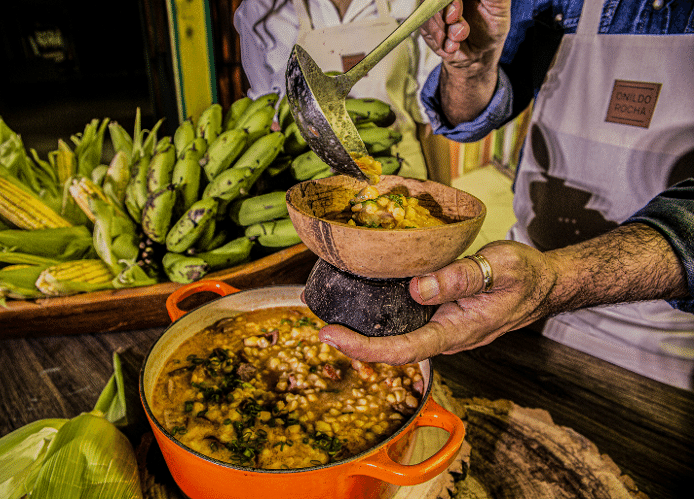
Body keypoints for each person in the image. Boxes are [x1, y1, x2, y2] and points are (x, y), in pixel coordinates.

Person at [316, 0, 694, 390]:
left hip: (662, 342)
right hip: (513, 296)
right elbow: (467, 118)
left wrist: (553, 282)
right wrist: (471, 67)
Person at [234, 0, 443, 180]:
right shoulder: (259, 11)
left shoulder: (412, 3)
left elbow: (431, 122)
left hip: (401, 170)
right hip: (312, 179)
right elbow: (267, 117)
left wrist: (450, 203)